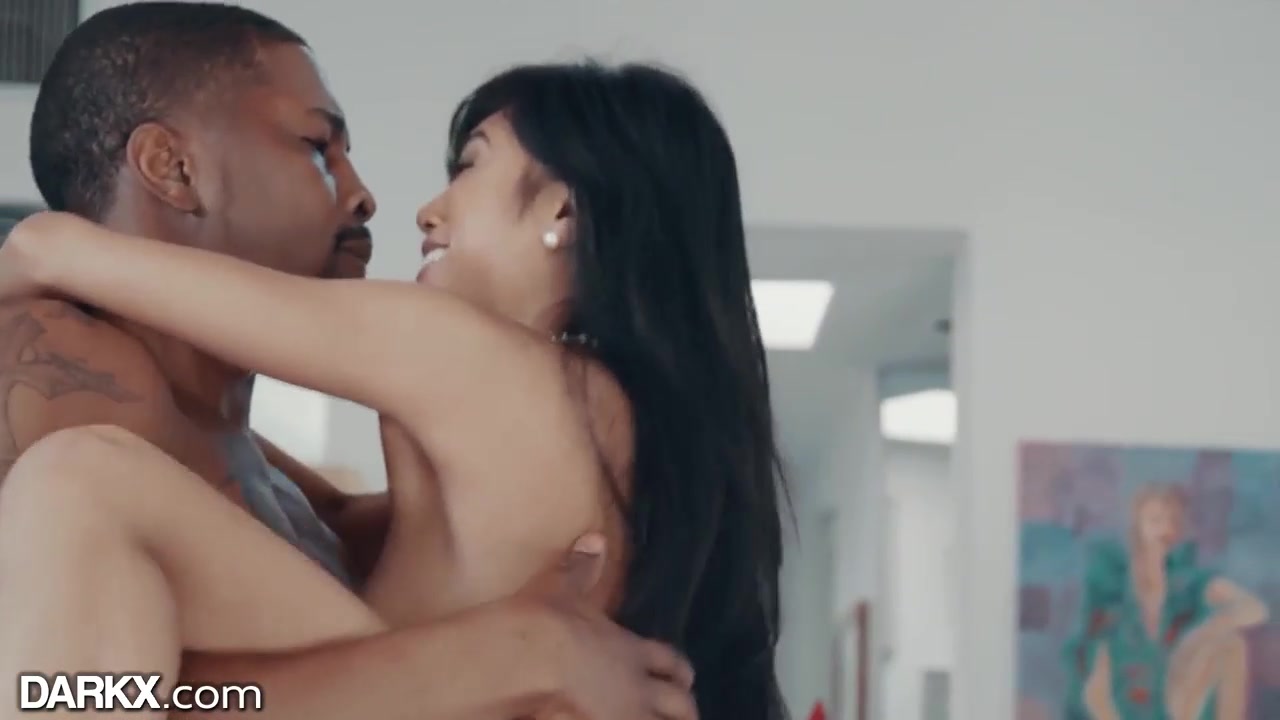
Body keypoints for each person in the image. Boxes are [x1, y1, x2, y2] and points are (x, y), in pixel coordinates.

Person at [0, 49, 787, 720]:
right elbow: (321, 514)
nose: (427, 210)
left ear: (561, 209)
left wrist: (40, 242)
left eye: (469, 166)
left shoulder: (485, 360)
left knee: (86, 477)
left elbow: (71, 259)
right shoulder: (602, 417)